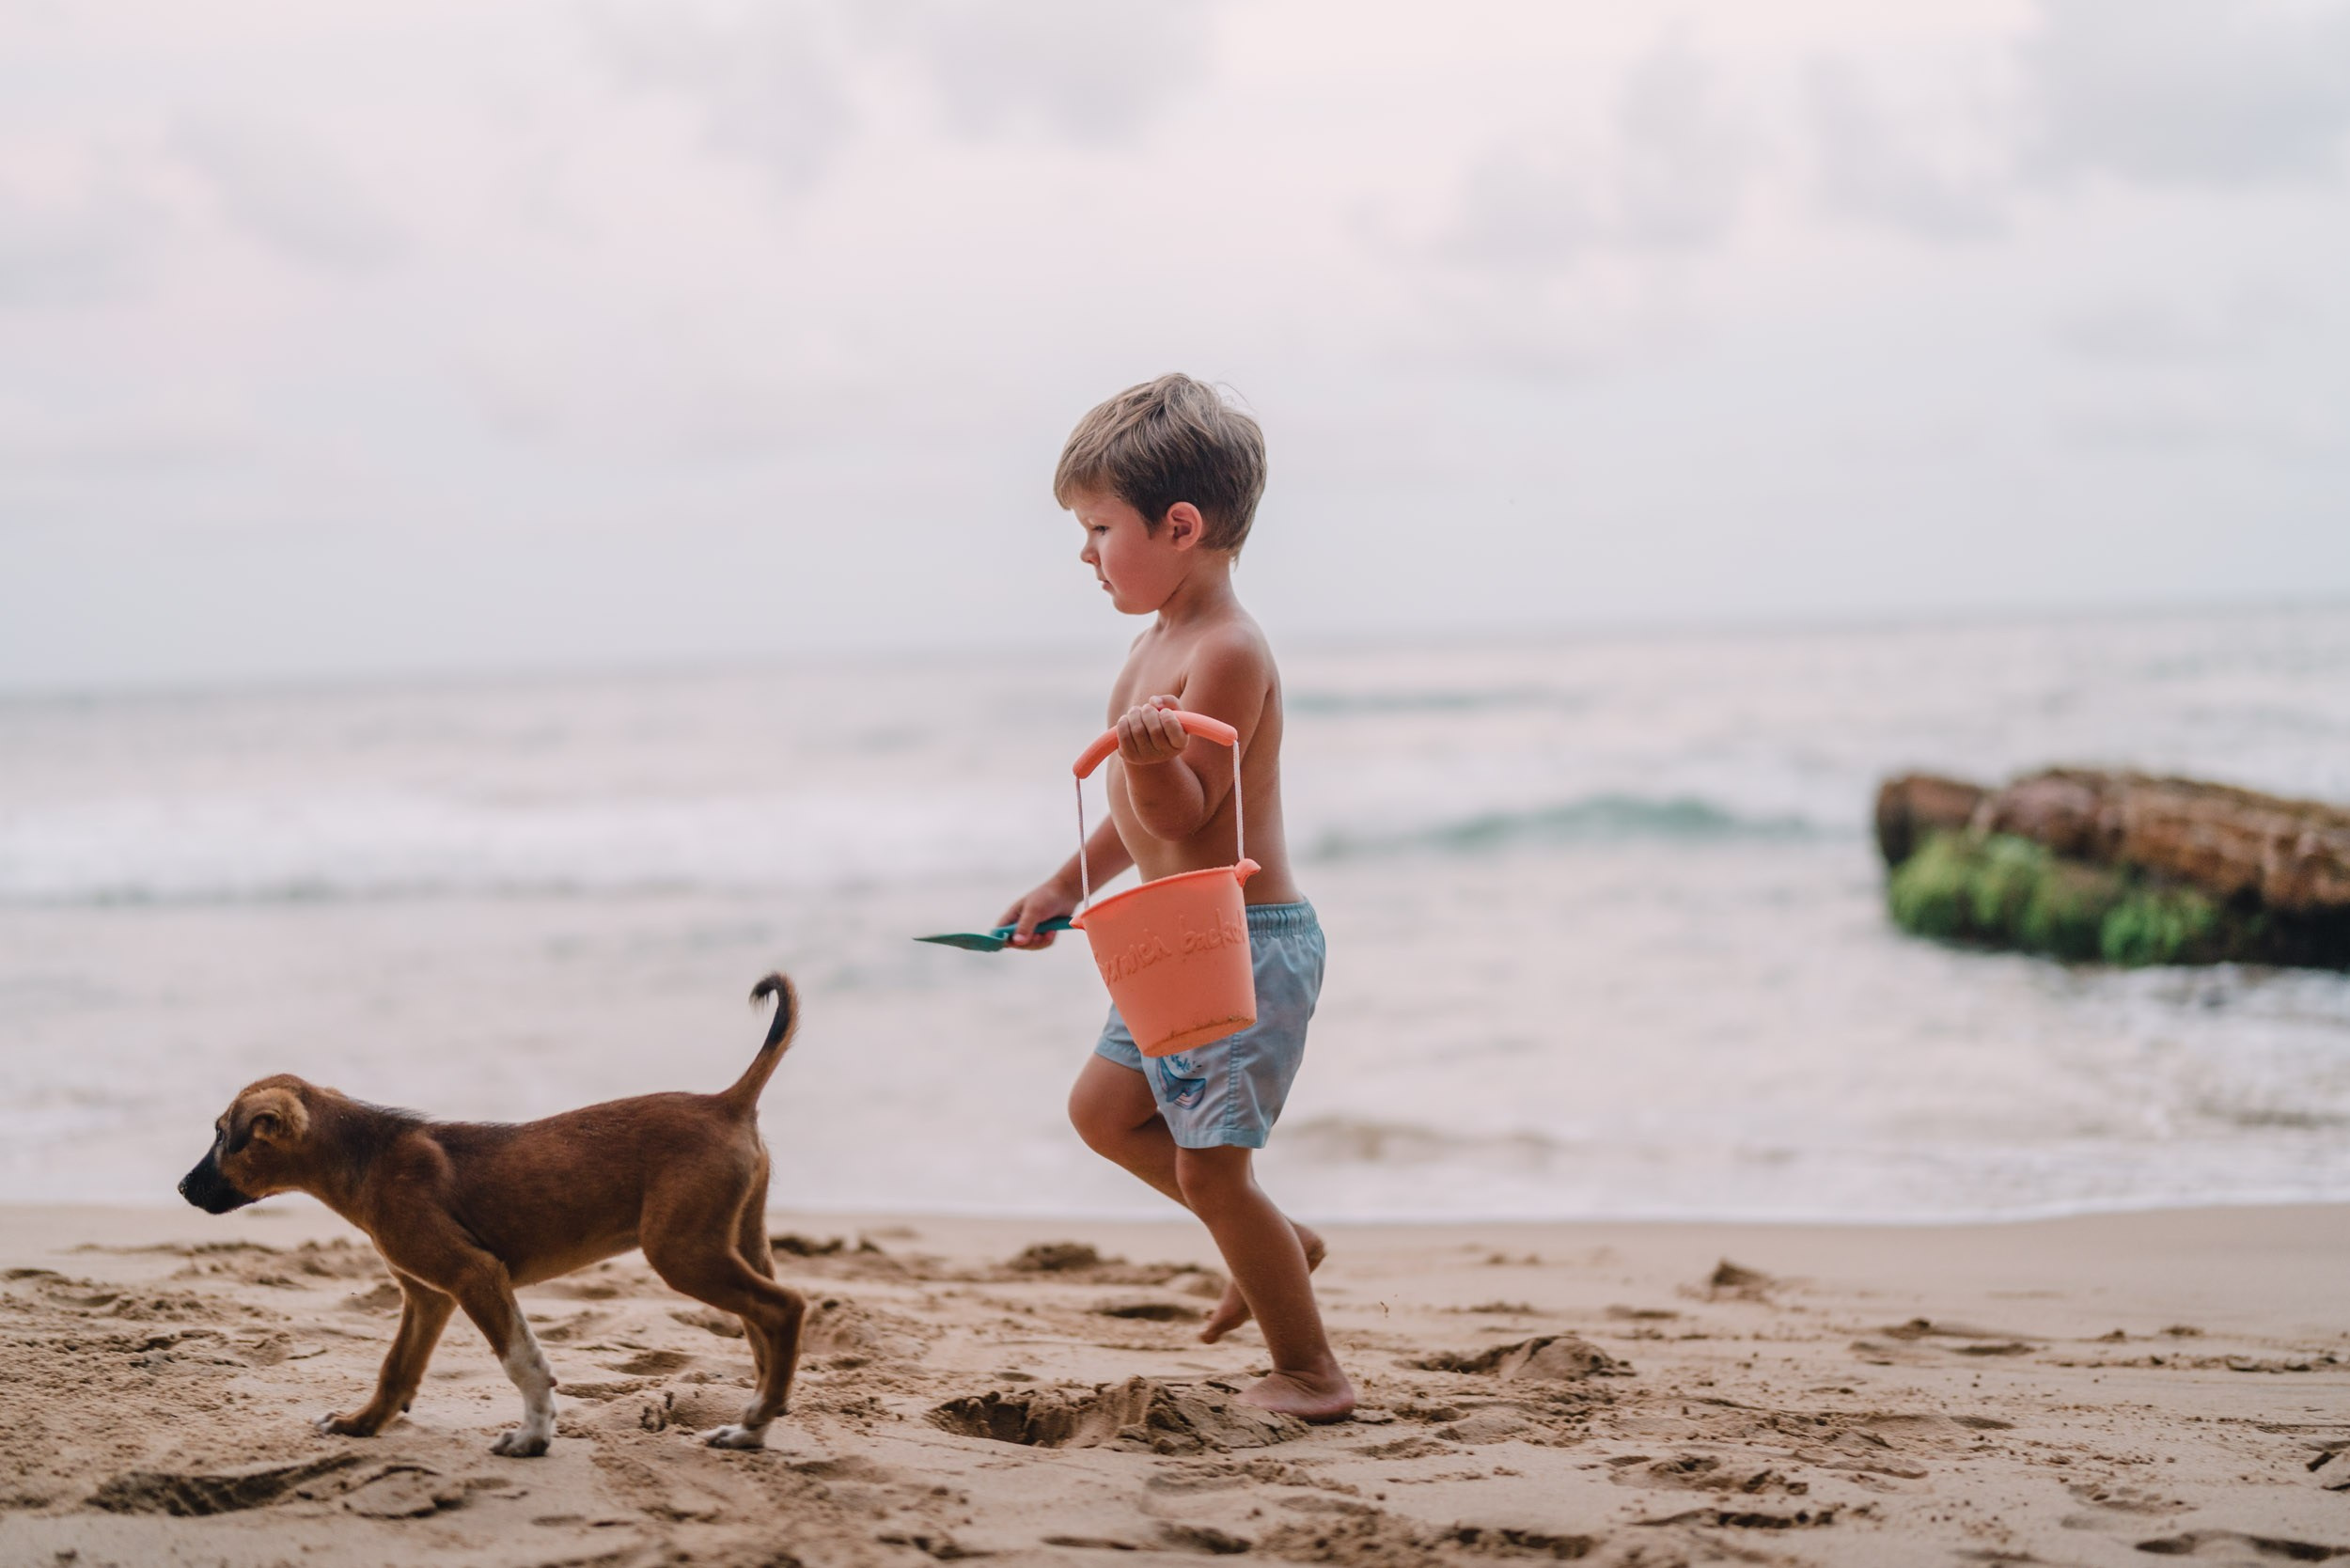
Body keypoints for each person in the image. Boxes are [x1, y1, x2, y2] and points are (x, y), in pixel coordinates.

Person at [997, 373, 1355, 1421]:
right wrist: (1066, 882)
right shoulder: (1150, 646)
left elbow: (1190, 811)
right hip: (1173, 938)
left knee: (1211, 1172)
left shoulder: (1228, 651)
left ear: (1180, 525)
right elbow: (1137, 817)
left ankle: (1309, 1372)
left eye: (1099, 526)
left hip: (1243, 943)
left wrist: (1155, 757)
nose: (1084, 552)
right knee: (1103, 1114)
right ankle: (1281, 1243)